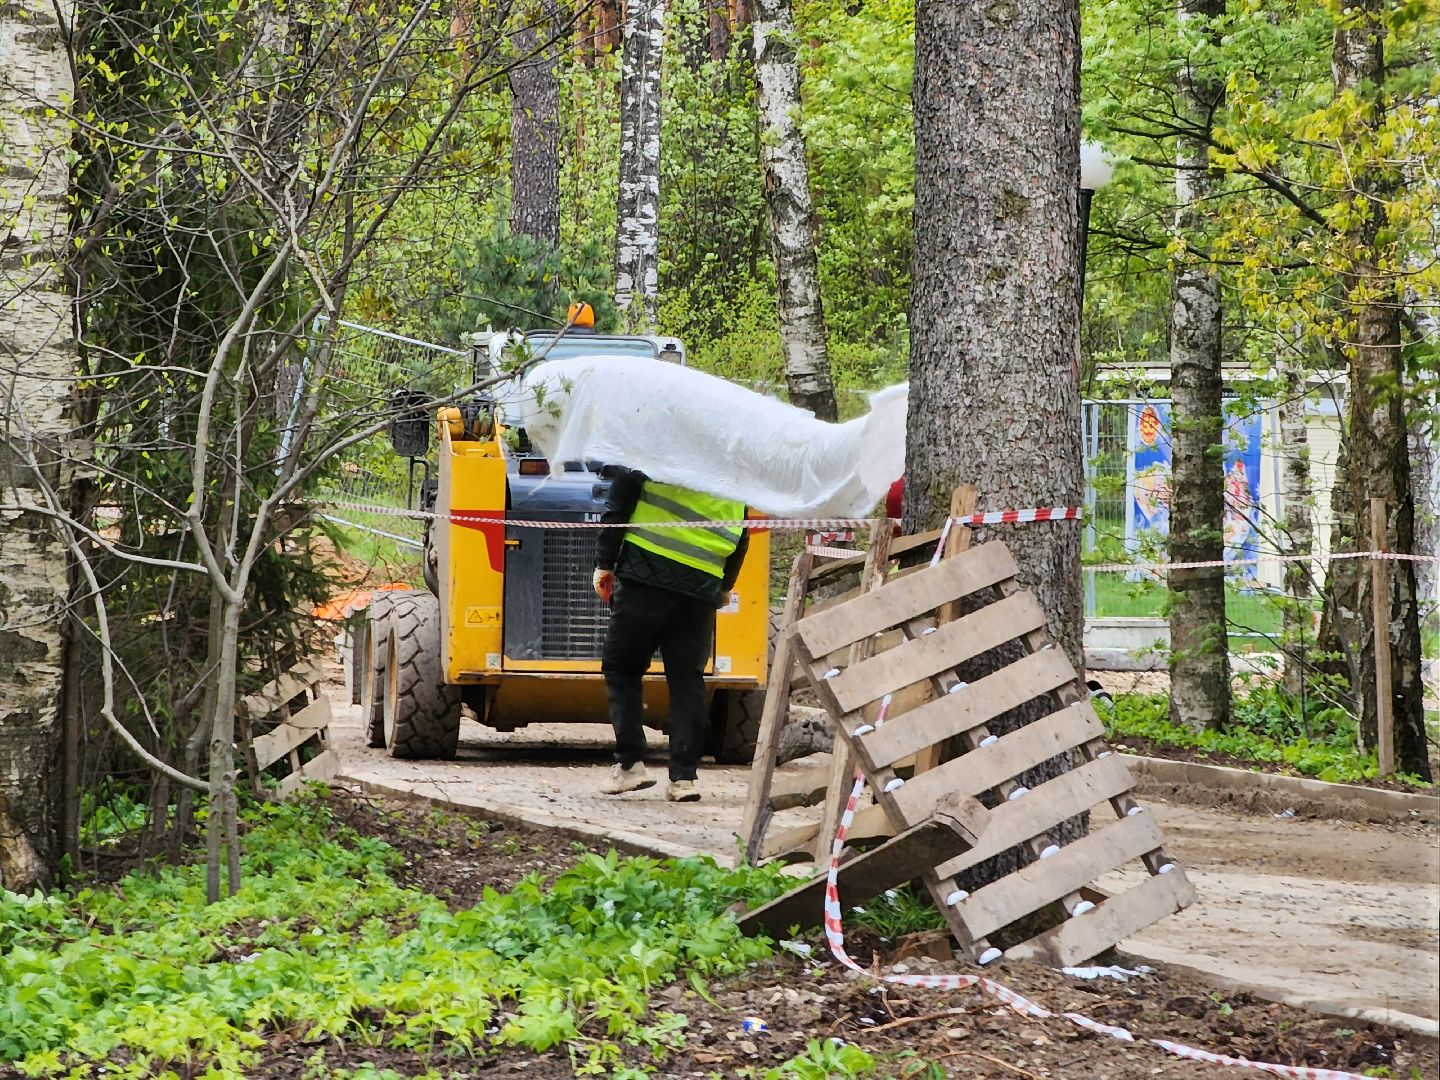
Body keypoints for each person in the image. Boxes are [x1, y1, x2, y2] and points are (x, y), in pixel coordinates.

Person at [593, 467, 748, 801]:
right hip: (702, 585)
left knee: (622, 667)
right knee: (687, 680)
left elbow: (619, 502)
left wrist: (605, 562)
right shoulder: (731, 463)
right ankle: (683, 779)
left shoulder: (657, 445)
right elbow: (742, 533)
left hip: (645, 575)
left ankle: (630, 765)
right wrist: (724, 585)